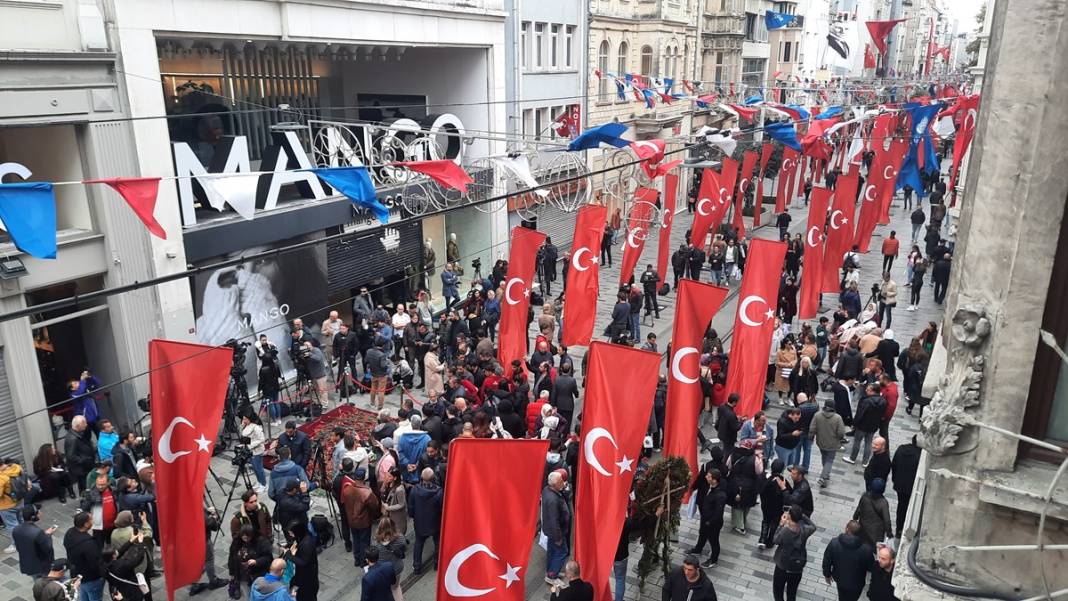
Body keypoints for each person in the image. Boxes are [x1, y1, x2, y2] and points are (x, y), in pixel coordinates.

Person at [771, 506, 815, 601]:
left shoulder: (785, 531)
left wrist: (781, 524)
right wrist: (802, 516)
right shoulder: (804, 530)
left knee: (778, 592)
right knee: (792, 594)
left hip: (782, 566)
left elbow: (775, 540)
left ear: (789, 517)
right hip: (797, 567)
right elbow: (813, 526)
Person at [822, 520, 873, 601]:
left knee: (842, 597)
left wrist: (827, 574)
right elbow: (871, 567)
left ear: (846, 529)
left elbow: (827, 560)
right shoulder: (866, 550)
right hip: (857, 583)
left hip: (840, 579)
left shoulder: (834, 543)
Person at [341, 467, 380, 567]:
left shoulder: (347, 488)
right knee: (364, 542)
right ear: (364, 478)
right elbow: (375, 505)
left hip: (352, 520)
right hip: (363, 522)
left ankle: (357, 559)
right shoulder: (367, 492)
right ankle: (364, 561)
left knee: (355, 539)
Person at [64, 512, 105, 601]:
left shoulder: (70, 533)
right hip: (92, 579)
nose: (93, 520)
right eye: (91, 519)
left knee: (84, 594)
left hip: (78, 574)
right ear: (86, 524)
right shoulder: (88, 544)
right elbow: (95, 564)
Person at [409, 467, 442, 574]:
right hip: (435, 522)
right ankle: (437, 563)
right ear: (433, 478)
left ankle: (417, 566)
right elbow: (442, 508)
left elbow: (411, 507)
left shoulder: (414, 490)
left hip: (420, 522)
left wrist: (413, 516)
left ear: (421, 477)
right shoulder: (438, 492)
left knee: (418, 543)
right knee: (437, 542)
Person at [725, 440, 762, 534]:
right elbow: (759, 471)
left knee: (736, 506)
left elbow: (728, 466)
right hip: (749, 485)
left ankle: (739, 525)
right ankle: (743, 520)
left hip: (734, 483)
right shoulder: (755, 459)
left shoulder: (732, 455)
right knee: (746, 504)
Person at [541, 470, 572, 582]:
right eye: (560, 482)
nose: (563, 483)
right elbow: (554, 521)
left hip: (550, 531)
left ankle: (550, 571)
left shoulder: (547, 490)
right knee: (562, 552)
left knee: (552, 551)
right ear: (554, 485)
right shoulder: (553, 500)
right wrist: (558, 537)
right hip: (557, 532)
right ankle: (552, 575)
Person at [229, 524, 274, 599]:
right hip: (242, 573)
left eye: (248, 536)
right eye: (243, 536)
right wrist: (232, 572)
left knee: (260, 592)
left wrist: (256, 561)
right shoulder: (237, 541)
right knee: (247, 593)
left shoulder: (261, 541)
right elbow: (232, 557)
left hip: (257, 574)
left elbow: (268, 557)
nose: (245, 538)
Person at [846, 384, 886, 466]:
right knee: (868, 443)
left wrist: (854, 424)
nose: (866, 391)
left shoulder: (866, 401)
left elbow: (860, 414)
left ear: (873, 391)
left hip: (862, 426)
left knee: (857, 442)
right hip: (873, 426)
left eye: (868, 390)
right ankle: (865, 461)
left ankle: (852, 458)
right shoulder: (883, 401)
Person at [809, 400, 846, 487]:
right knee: (829, 460)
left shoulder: (817, 415)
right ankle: (824, 477)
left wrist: (811, 438)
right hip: (833, 443)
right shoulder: (838, 418)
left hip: (821, 442)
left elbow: (812, 429)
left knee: (824, 457)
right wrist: (840, 439)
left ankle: (825, 472)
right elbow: (841, 432)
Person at [694, 469, 727, 568]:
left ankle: (713, 559)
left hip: (712, 523)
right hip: (705, 519)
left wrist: (709, 522)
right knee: (702, 534)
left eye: (708, 476)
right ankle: (698, 549)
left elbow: (718, 513)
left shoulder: (720, 495)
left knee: (713, 541)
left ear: (714, 480)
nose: (706, 477)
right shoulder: (710, 487)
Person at [14, 504, 55, 582]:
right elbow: (47, 547)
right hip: (41, 566)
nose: (40, 513)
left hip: (28, 564)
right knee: (43, 585)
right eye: (38, 511)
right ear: (33, 516)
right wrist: (48, 535)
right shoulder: (38, 532)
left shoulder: (16, 529)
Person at [891, 436, 922, 538]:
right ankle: (906, 528)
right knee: (911, 507)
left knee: (901, 506)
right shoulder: (920, 456)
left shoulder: (901, 449)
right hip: (912, 487)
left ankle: (899, 529)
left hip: (899, 484)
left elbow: (894, 464)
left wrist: (894, 479)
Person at [372, 516, 407, 601]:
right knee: (396, 587)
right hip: (397, 568)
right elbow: (404, 547)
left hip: (384, 572)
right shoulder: (400, 538)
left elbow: (375, 559)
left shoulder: (376, 543)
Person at [283, 520, 318, 601]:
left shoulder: (307, 544)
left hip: (308, 579)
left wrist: (289, 555)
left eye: (291, 533)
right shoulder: (302, 537)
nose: (290, 535)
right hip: (302, 577)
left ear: (297, 531)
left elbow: (303, 562)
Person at [854, 478, 893, 548]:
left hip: (863, 529)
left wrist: (855, 517)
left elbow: (859, 509)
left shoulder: (865, 496)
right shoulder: (883, 503)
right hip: (876, 533)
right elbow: (887, 520)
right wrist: (889, 533)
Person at [757, 459, 786, 551]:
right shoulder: (783, 481)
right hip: (777, 508)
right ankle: (770, 541)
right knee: (774, 523)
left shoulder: (766, 477)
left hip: (765, 505)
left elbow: (760, 489)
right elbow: (787, 494)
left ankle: (762, 539)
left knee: (765, 520)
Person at [64, 416, 96, 495]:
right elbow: (70, 456)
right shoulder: (72, 439)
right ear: (78, 426)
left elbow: (88, 434)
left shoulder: (79, 433)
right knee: (84, 487)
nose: (86, 425)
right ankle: (85, 503)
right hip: (82, 468)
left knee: (87, 485)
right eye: (84, 423)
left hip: (85, 466)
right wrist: (83, 460)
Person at [715, 394, 740, 458]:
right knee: (728, 452)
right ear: (734, 402)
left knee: (724, 449)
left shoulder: (721, 407)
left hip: (721, 432)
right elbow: (736, 427)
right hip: (729, 437)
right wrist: (741, 422)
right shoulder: (731, 414)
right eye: (737, 402)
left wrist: (735, 419)